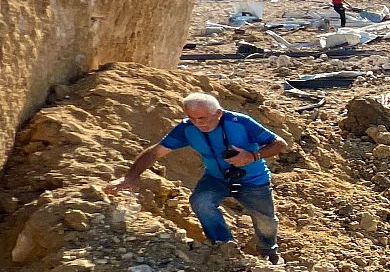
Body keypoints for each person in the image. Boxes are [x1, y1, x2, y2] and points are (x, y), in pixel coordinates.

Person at [104, 94, 287, 263]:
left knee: (265, 220)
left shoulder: (240, 123)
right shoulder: (187, 128)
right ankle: (225, 247)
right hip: (216, 178)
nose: (198, 124)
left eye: (202, 118)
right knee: (201, 201)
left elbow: (279, 144)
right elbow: (155, 152)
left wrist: (251, 156)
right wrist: (129, 178)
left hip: (253, 179)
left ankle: (268, 252)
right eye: (192, 118)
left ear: (218, 113)